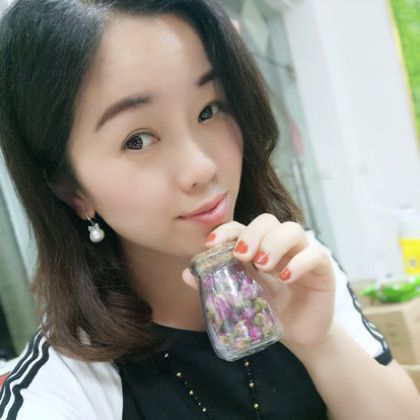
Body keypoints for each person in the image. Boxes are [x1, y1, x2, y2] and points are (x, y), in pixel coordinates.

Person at [0, 0, 418, 419]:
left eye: (209, 110)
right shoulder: (67, 389)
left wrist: (321, 344)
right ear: (72, 189)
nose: (201, 168)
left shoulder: (296, 270)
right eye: (137, 140)